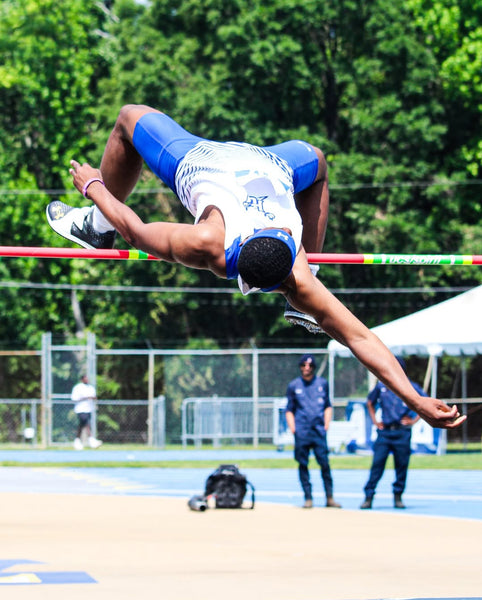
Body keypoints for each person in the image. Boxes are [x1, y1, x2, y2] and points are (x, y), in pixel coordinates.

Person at [46, 103, 465, 431]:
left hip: (258, 166)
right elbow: (359, 337)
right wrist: (95, 191)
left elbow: (137, 231)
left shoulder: (250, 256)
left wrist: (95, 185)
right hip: (210, 160)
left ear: (291, 248)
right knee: (128, 121)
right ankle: (96, 229)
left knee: (316, 160)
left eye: (289, 285)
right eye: (289, 285)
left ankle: (97, 225)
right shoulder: (233, 249)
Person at [360, 358, 425, 510]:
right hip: (385, 432)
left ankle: (398, 496)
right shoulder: (382, 386)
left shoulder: (410, 387)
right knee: (377, 465)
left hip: (402, 432)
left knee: (401, 466)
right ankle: (369, 496)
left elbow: (424, 401)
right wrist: (375, 421)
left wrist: (414, 420)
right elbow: (370, 402)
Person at [285, 354, 341, 508]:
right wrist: (293, 428)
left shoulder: (322, 383)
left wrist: (326, 424)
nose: (306, 368)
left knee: (325, 464)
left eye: (309, 365)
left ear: (314, 368)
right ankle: (308, 498)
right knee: (303, 464)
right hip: (302, 432)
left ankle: (329, 498)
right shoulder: (294, 386)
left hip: (318, 431)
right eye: (303, 365)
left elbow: (328, 405)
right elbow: (289, 409)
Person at [71, 375, 102, 450]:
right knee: (86, 422)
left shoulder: (91, 388)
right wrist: (86, 398)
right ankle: (91, 440)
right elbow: (74, 398)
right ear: (82, 379)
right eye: (85, 378)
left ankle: (77, 440)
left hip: (89, 409)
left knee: (82, 425)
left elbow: (94, 397)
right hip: (80, 409)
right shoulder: (78, 387)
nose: (87, 380)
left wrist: (94, 400)